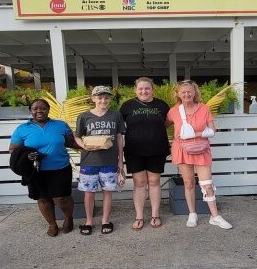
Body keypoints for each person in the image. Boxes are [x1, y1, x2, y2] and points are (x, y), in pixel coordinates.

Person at [166, 80, 232, 229]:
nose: (187, 94)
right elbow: (164, 125)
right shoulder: (174, 111)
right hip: (182, 150)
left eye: (190, 91)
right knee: (189, 183)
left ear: (195, 92)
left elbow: (212, 131)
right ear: (178, 94)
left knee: (207, 185)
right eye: (183, 92)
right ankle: (192, 214)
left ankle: (215, 216)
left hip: (202, 150)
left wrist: (193, 134)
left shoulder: (204, 109)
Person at [9, 99, 77, 237]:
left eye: (43, 108)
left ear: (48, 110)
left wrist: (93, 145)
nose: (39, 111)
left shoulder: (60, 125)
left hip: (60, 167)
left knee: (62, 198)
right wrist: (28, 155)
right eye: (35, 108)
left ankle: (69, 218)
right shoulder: (22, 129)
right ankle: (52, 224)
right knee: (43, 198)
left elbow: (72, 142)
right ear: (30, 111)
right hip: (36, 170)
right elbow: (13, 150)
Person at [119, 77, 170, 230]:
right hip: (134, 150)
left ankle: (155, 215)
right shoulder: (127, 106)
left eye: (147, 88)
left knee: (154, 181)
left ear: (152, 89)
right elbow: (121, 128)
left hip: (157, 149)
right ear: (135, 90)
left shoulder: (162, 105)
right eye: (140, 88)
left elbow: (167, 123)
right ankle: (139, 216)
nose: (144, 91)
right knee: (139, 183)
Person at [74, 86, 125, 235]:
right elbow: (77, 136)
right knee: (89, 192)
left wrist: (120, 160)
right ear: (93, 98)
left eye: (106, 98)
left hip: (109, 160)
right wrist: (85, 146)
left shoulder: (116, 115)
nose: (103, 100)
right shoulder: (84, 116)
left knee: (107, 191)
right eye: (100, 97)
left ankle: (105, 220)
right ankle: (89, 221)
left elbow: (119, 137)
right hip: (89, 161)